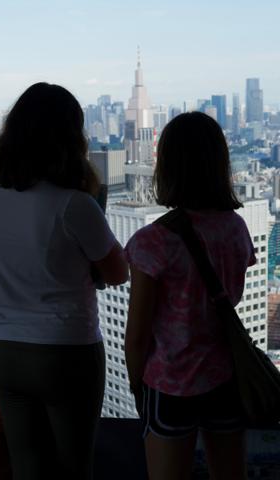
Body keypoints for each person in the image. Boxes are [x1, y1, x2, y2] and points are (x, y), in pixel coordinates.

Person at [0, 82, 128, 480]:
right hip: (66, 351)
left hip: (7, 352)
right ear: (71, 138)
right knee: (74, 468)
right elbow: (117, 272)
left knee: (26, 469)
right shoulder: (74, 204)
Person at [125, 112, 255, 480]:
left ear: (167, 166)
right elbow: (234, 296)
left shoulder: (154, 241)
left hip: (170, 382)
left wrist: (139, 387)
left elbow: (136, 336)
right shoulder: (235, 227)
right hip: (226, 377)